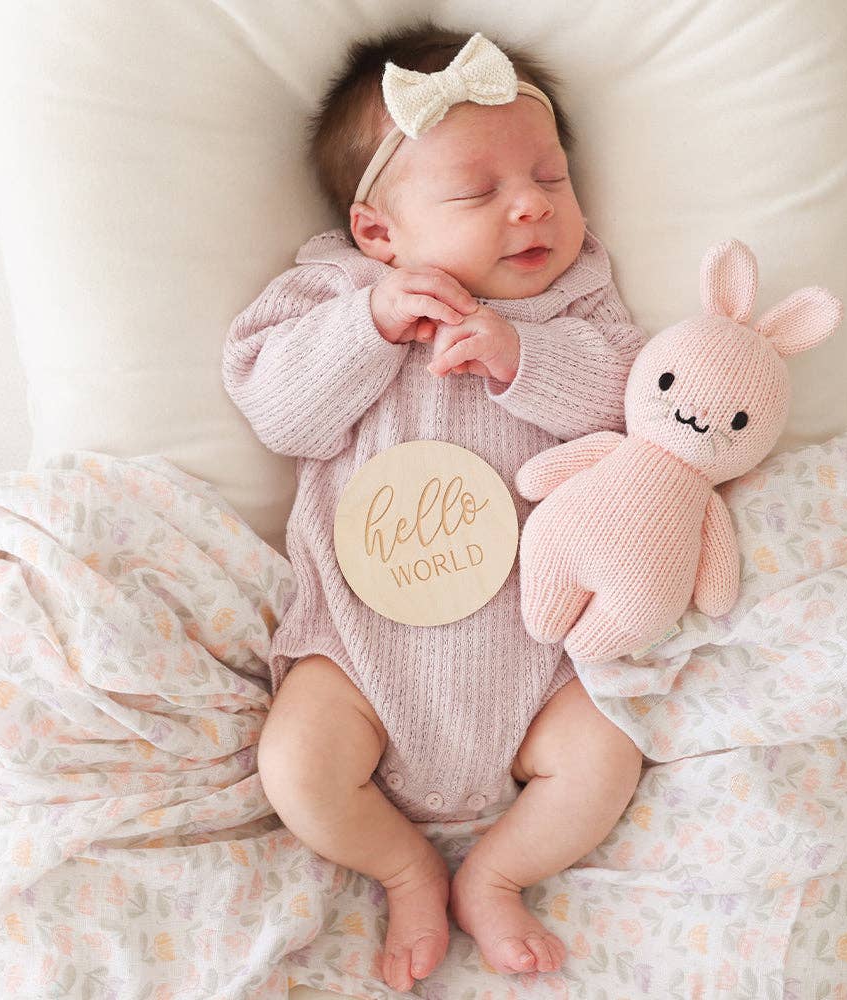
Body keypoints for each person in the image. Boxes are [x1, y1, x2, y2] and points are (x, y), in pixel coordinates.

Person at [222, 22, 645, 992]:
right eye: (477, 192)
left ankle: (499, 872)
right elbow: (276, 409)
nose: (531, 209)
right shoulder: (335, 291)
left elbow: (634, 398)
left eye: (550, 178)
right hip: (366, 655)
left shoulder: (576, 302)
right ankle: (400, 863)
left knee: (608, 744)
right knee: (298, 764)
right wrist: (366, 328)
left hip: (541, 654)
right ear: (380, 232)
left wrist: (521, 358)